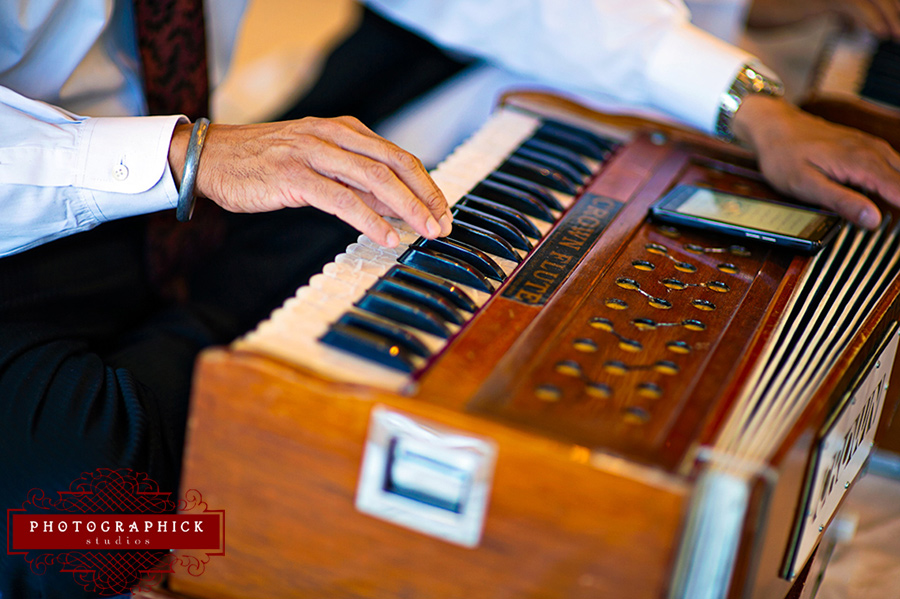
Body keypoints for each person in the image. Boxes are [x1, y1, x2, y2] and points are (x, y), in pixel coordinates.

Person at [2, 1, 900, 597]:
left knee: (400, 229)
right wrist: (187, 157)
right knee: (74, 521)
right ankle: (244, 447)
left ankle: (241, 402)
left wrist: (748, 108)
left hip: (178, 196)